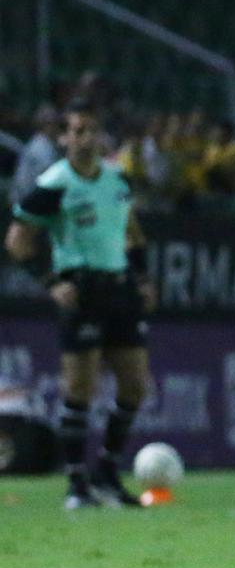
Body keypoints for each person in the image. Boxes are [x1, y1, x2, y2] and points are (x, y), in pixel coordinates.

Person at [4, 105, 155, 508]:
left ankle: (106, 470)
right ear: (64, 139)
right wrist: (52, 282)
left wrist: (142, 278)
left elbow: (132, 230)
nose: (82, 137)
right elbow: (17, 240)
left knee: (136, 385)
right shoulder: (54, 183)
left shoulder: (115, 179)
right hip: (83, 290)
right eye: (75, 131)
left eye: (89, 130)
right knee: (80, 387)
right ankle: (76, 484)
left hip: (119, 289)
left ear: (100, 136)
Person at [9, 104, 60, 207]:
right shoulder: (42, 146)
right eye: (54, 124)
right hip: (27, 202)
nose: (57, 128)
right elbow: (50, 178)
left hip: (24, 199)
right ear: (47, 125)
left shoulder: (39, 142)